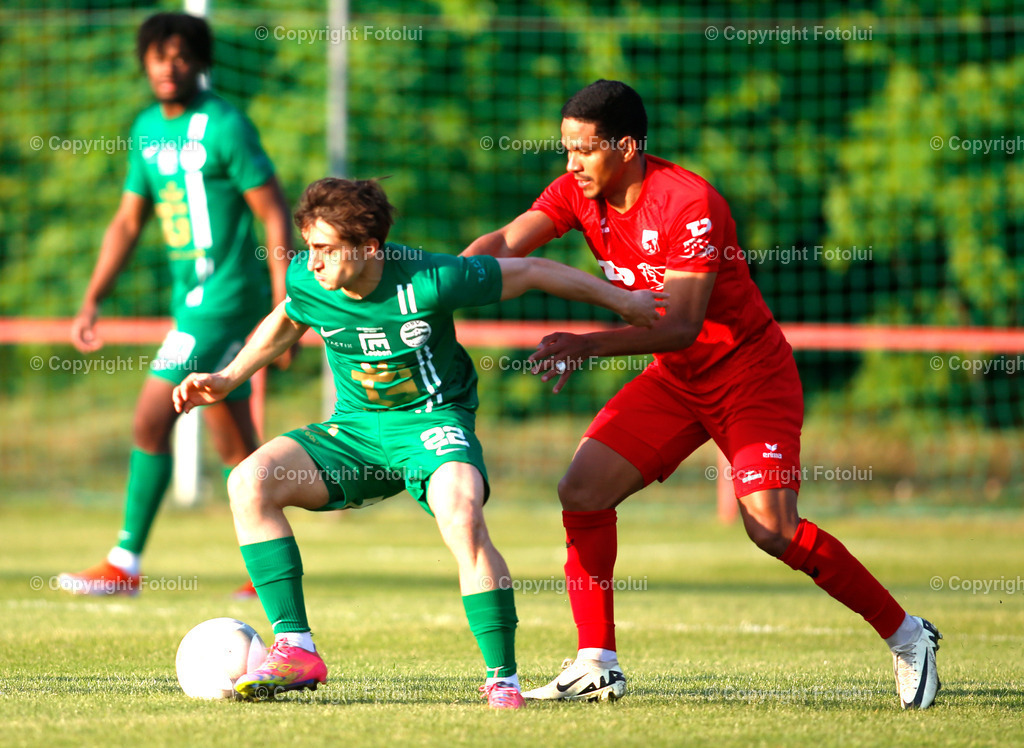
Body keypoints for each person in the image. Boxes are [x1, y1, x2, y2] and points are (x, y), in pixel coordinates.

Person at [462, 79, 942, 709]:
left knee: (771, 528)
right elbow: (502, 244)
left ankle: (910, 637)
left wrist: (586, 344)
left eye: (584, 150)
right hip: (676, 379)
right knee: (581, 489)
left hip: (749, 375)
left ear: (627, 146)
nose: (571, 163)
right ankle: (596, 659)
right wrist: (447, 279)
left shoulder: (690, 204)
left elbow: (681, 323)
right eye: (565, 149)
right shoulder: (577, 193)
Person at [171, 176, 664, 708]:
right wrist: (228, 377)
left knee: (461, 510)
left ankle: (503, 678)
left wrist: (623, 300)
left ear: (368, 248)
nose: (310, 263)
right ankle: (295, 647)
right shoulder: (309, 278)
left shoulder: (430, 277)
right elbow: (290, 315)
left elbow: (533, 270)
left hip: (431, 427)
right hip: (354, 434)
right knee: (250, 481)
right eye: (308, 247)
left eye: (324, 249)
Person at [59, 12, 293, 597]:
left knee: (149, 417)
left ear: (201, 61)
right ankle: (266, 568)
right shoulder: (145, 130)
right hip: (190, 301)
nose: (170, 65)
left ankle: (124, 563)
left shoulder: (226, 125)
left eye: (182, 54)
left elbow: (272, 209)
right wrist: (93, 297)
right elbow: (128, 219)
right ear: (144, 61)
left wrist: (284, 304)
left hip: (225, 302)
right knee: (234, 442)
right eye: (159, 55)